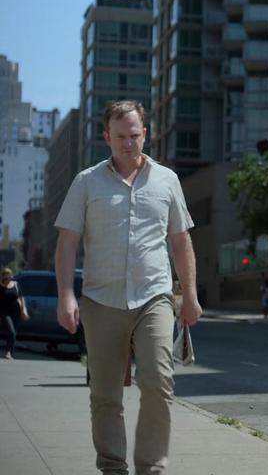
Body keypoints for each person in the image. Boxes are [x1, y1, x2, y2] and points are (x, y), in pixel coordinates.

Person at [54, 100, 202, 474]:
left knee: (158, 382)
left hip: (154, 296)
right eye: (120, 136)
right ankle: (112, 466)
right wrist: (66, 296)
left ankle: (151, 467)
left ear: (145, 134)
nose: (128, 143)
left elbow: (181, 242)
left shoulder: (167, 180)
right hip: (100, 300)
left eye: (135, 135)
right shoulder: (86, 182)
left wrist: (190, 297)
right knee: (105, 394)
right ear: (106, 136)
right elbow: (67, 242)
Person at [1, 267, 24, 360]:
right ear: (3, 278)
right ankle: (8, 352)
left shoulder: (16, 285)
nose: (7, 279)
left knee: (14, 332)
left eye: (9, 277)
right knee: (11, 331)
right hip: (5, 312)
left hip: (16, 312)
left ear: (11, 276)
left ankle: (11, 352)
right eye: (5, 278)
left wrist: (23, 311)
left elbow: (21, 298)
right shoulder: (1, 287)